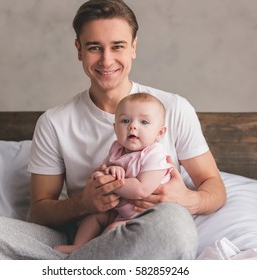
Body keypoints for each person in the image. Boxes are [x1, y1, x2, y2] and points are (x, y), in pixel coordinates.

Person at [0, 0, 226, 260]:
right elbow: (39, 211)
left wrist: (185, 199)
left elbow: (214, 187)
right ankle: (80, 263)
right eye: (94, 48)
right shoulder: (54, 122)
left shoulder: (174, 108)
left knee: (174, 224)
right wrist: (83, 203)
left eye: (118, 46)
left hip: (140, 230)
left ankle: (69, 266)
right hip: (77, 236)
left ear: (133, 47)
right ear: (79, 50)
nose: (106, 60)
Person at [54, 92, 173, 253]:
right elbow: (101, 173)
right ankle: (79, 247)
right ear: (115, 128)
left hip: (144, 218)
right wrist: (100, 176)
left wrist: (109, 181)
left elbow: (141, 189)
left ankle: (96, 256)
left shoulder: (155, 154)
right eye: (125, 121)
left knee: (114, 230)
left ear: (160, 132)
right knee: (94, 216)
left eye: (144, 122)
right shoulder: (116, 149)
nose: (133, 126)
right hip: (119, 210)